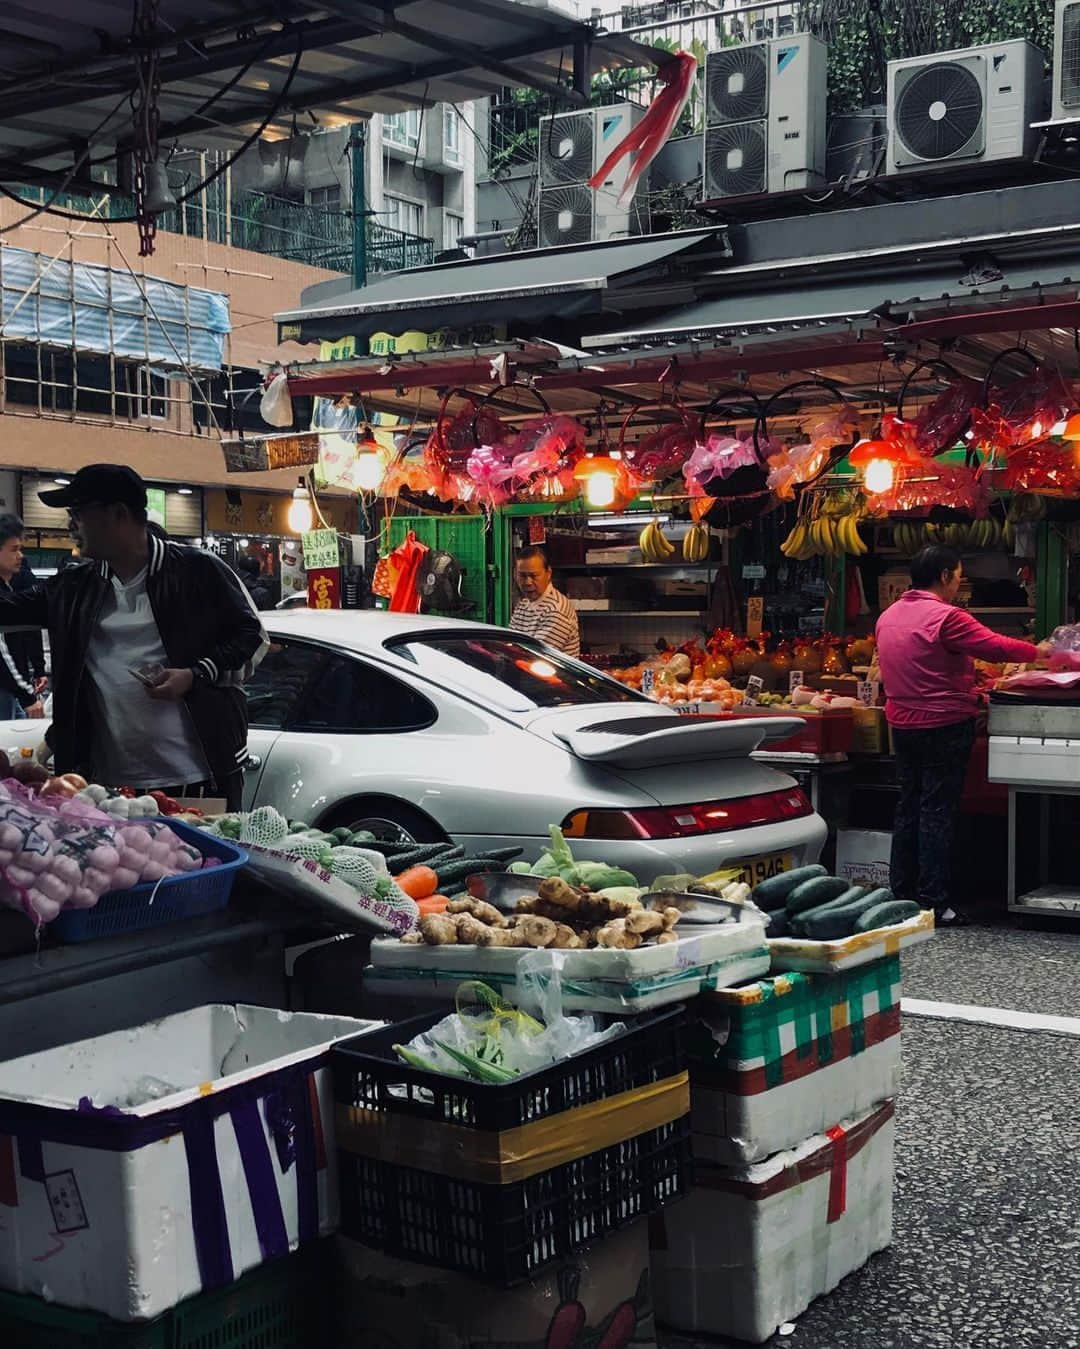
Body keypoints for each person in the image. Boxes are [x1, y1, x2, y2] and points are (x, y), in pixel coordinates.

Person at [0, 465, 268, 809]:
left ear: (118, 514)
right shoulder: (72, 588)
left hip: (200, 779)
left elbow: (253, 638)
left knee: (204, 861)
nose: (70, 525)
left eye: (78, 514)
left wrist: (196, 675)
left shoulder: (198, 571)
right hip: (104, 787)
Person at [876, 545, 1048, 926]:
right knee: (936, 810)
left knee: (908, 807)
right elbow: (995, 646)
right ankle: (934, 903)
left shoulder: (888, 616)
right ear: (943, 577)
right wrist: (1040, 652)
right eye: (957, 575)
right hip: (942, 724)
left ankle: (900, 894)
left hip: (901, 724)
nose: (958, 583)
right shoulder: (945, 617)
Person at [0, 515, 44, 720]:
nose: (21, 555)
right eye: (14, 549)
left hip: (13, 686)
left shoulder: (19, 581)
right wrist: (27, 697)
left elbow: (31, 628)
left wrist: (38, 669)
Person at [508, 546, 580, 658]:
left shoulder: (556, 610)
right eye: (522, 576)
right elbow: (510, 644)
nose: (527, 582)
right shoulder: (523, 605)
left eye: (533, 576)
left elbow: (535, 656)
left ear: (548, 573)